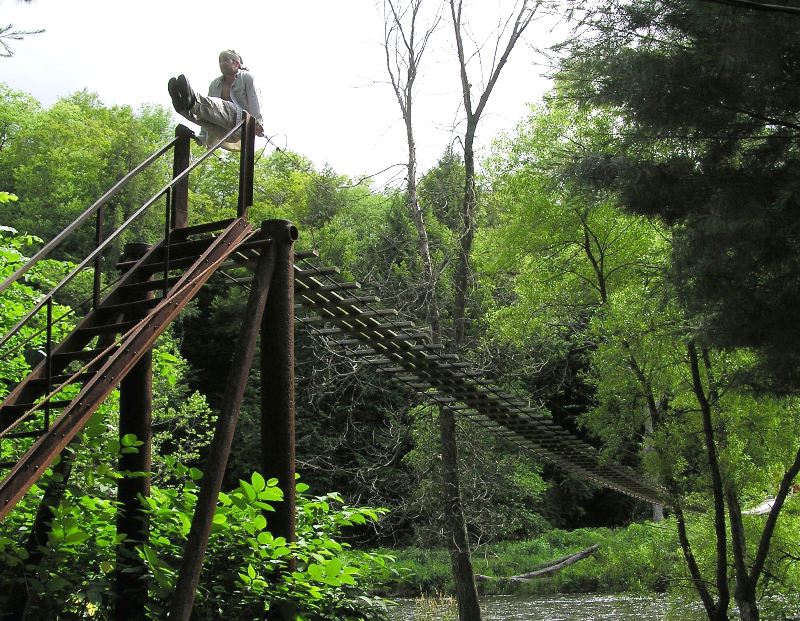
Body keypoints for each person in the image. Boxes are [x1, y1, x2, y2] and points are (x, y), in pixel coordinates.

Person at [168, 49, 264, 150]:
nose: (221, 64)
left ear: (236, 63)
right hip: (223, 130)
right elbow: (208, 109)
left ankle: (192, 100)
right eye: (220, 61)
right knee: (206, 116)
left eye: (225, 60)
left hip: (240, 125)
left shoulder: (247, 78)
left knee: (223, 106)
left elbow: (254, 99)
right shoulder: (215, 84)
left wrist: (257, 122)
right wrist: (204, 138)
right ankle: (182, 107)